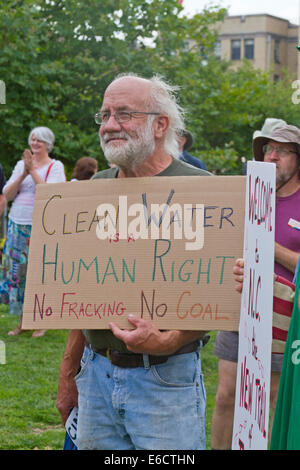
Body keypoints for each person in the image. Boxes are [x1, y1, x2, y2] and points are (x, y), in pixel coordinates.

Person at [57, 73, 211, 451]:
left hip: (165, 380)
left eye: (124, 114)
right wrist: (68, 373)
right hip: (95, 375)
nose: (110, 125)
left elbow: (216, 294)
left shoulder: (203, 189)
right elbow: (83, 291)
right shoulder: (93, 192)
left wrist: (167, 340)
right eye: (105, 115)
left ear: (160, 125)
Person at [211, 121, 300, 449]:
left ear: (298, 158)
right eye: (268, 149)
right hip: (241, 305)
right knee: (226, 395)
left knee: (274, 398)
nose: (273, 156)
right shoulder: (248, 195)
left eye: (283, 151)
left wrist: (266, 245)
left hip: (285, 316)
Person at [1, 126, 66, 337]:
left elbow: (52, 193)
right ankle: (22, 322)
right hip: (16, 224)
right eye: (33, 139)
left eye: (39, 140)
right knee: (18, 272)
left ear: (48, 144)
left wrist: (33, 171)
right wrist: (23, 172)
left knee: (39, 272)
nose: (35, 143)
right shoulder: (21, 164)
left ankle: (42, 322)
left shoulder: (55, 166)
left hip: (42, 225)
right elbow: (8, 193)